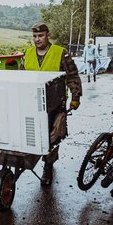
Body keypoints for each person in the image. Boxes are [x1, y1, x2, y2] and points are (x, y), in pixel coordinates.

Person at [21, 22, 82, 186]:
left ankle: (48, 165)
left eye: (40, 36)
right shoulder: (27, 54)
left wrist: (76, 97)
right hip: (33, 102)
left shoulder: (61, 53)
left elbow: (72, 76)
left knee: (53, 136)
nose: (37, 39)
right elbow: (20, 78)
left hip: (55, 103)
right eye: (34, 36)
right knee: (33, 133)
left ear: (48, 35)